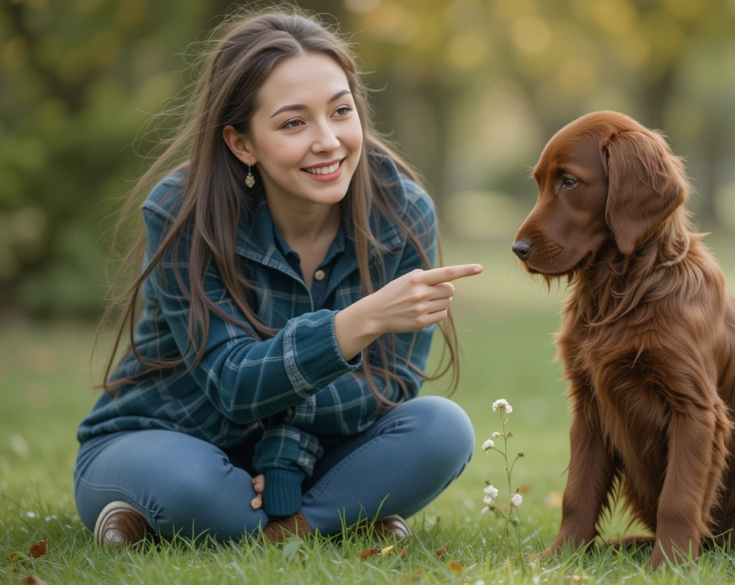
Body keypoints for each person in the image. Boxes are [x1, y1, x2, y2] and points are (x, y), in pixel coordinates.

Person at [74, 9, 481, 547]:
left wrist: (288, 450)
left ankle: (292, 522)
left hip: (321, 451)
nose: (329, 141)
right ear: (242, 143)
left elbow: (389, 387)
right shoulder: (180, 213)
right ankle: (341, 515)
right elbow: (232, 384)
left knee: (443, 429)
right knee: (195, 487)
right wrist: (359, 322)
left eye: (341, 111)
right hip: (176, 434)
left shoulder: (403, 215)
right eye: (294, 123)